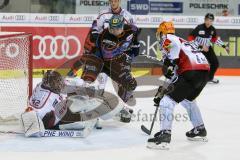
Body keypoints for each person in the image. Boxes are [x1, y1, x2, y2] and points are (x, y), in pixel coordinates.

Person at [147, 21, 209, 150]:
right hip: (203, 72)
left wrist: (171, 62)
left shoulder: (168, 38)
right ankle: (200, 129)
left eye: (159, 34)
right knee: (188, 100)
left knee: (166, 102)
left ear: (162, 33)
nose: (159, 37)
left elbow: (172, 62)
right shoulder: (183, 41)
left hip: (191, 71)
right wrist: (164, 88)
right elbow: (174, 75)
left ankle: (165, 135)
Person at [21, 70, 132, 137]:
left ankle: (117, 110)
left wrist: (82, 86)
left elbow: (66, 83)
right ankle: (119, 111)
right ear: (51, 85)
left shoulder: (47, 84)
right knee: (92, 104)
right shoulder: (44, 100)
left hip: (63, 108)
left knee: (87, 98)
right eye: (57, 84)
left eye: (59, 82)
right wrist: (35, 125)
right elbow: (32, 113)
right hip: (60, 119)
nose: (60, 85)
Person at [68, 0, 139, 95]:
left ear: (119, 1)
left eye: (115, 1)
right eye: (111, 1)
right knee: (98, 73)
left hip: (118, 51)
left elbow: (133, 34)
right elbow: (95, 28)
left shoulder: (129, 16)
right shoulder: (103, 14)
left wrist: (129, 46)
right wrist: (96, 36)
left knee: (123, 76)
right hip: (104, 47)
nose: (113, 3)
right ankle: (94, 92)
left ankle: (123, 95)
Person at [81, 14, 138, 104]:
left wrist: (133, 49)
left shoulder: (131, 30)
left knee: (131, 85)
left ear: (122, 26)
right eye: (112, 28)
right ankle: (85, 100)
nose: (114, 31)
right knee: (89, 80)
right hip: (102, 61)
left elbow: (135, 39)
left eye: (116, 28)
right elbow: (110, 59)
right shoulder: (106, 36)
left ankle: (122, 103)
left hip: (115, 59)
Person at [188, 13, 229, 84]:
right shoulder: (199, 27)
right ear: (204, 20)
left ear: (212, 21)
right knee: (199, 65)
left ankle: (209, 78)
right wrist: (201, 46)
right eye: (207, 20)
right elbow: (190, 38)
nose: (208, 22)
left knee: (215, 63)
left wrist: (224, 46)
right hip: (198, 49)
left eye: (210, 20)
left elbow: (215, 40)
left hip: (208, 48)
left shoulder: (212, 29)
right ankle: (195, 79)